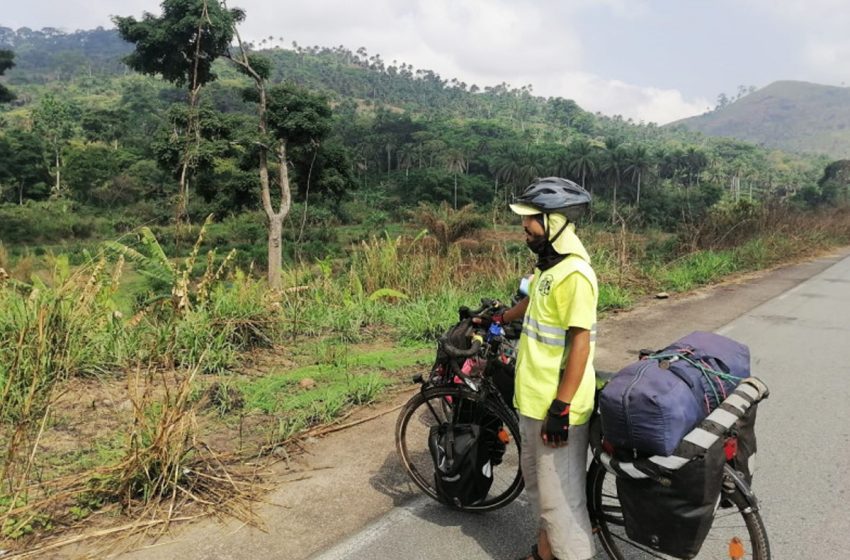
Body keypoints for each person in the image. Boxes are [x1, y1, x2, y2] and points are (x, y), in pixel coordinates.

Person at [494, 177, 598, 560]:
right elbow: (531, 305)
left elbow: (581, 344)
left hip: (556, 408)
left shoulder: (575, 275)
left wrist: (561, 407)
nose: (524, 230)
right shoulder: (548, 268)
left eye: (530, 223)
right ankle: (543, 555)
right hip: (533, 402)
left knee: (563, 505)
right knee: (542, 495)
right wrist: (500, 317)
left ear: (553, 222)